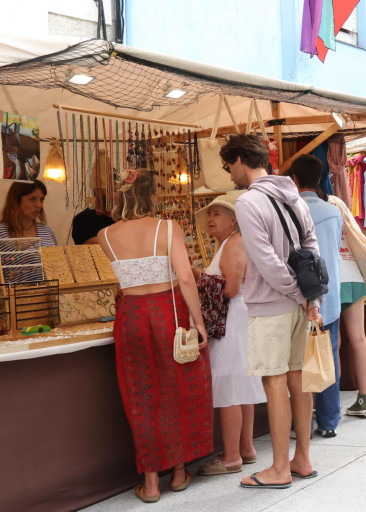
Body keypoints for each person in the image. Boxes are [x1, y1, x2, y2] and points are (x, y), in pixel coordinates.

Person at [98, 169, 212, 503]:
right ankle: (178, 473)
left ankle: (150, 484)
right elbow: (186, 279)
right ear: (152, 196)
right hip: (169, 311)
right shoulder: (167, 227)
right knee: (177, 390)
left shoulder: (105, 236)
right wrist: (198, 321)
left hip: (131, 315)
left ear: (121, 196)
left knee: (141, 395)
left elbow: (120, 283)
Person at [220, 135, 323, 489]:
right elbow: (312, 246)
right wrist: (309, 298)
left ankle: (279, 468)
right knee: (298, 378)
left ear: (238, 160)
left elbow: (264, 261)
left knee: (275, 381)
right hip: (299, 302)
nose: (229, 174)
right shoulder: (293, 194)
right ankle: (302, 459)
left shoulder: (248, 202)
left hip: (271, 304)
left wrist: (295, 293)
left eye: (227, 166)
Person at [194, 192, 266, 477]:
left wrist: (201, 280)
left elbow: (231, 289)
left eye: (217, 214)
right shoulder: (231, 243)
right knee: (240, 386)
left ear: (234, 220)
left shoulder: (234, 244)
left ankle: (232, 456)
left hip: (231, 321)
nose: (211, 219)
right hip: (236, 320)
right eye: (209, 214)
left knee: (229, 389)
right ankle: (245, 448)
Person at [287, 155, 343, 438]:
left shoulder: (290, 212)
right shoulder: (333, 211)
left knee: (298, 363)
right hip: (330, 297)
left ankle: (302, 424)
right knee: (327, 356)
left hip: (299, 297)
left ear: (294, 180)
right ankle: (329, 421)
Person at [326, 193, 366, 418]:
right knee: (359, 338)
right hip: (353, 272)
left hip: (332, 277)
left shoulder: (311, 203)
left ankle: (332, 401)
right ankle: (363, 398)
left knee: (333, 341)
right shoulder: (338, 203)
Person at [0, 180, 57, 248]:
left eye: (41, 199)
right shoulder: (2, 232)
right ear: (16, 201)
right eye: (32, 199)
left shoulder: (47, 231)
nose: (39, 205)